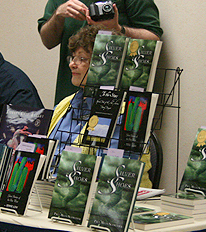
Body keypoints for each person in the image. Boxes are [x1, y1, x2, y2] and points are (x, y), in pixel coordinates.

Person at [47, 24, 152, 188]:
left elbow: (113, 175)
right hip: (51, 190)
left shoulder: (124, 113)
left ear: (106, 64)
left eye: (82, 59)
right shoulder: (65, 105)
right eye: (73, 57)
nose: (72, 64)